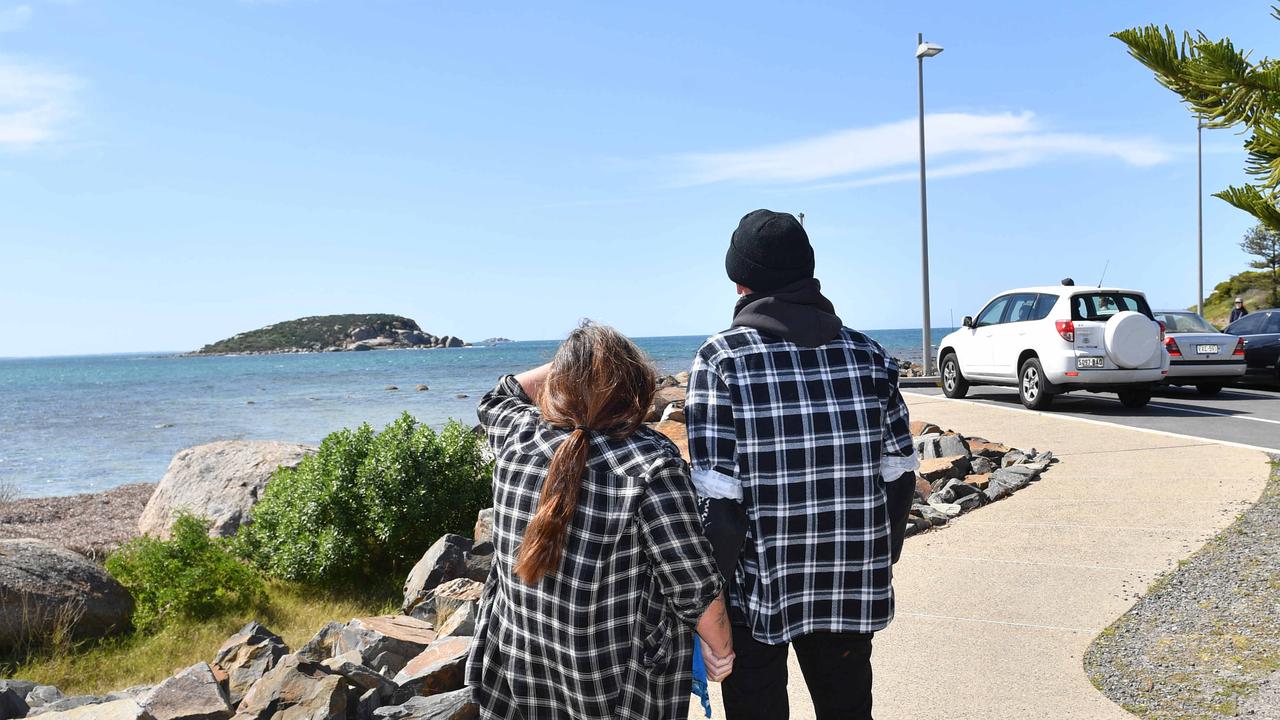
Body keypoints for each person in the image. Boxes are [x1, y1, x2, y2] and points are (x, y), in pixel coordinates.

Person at [685, 210, 920, 720]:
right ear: (808, 275)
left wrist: (709, 604)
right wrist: (882, 556)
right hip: (849, 587)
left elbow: (719, 505)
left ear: (740, 281)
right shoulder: (870, 357)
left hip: (756, 594)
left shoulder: (722, 360)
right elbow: (901, 475)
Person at [466, 322, 734, 720]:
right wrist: (721, 648)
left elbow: (503, 392)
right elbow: (693, 585)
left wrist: (577, 359)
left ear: (560, 383)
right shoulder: (651, 463)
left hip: (517, 676)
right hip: (616, 691)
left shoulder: (517, 433)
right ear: (635, 390)